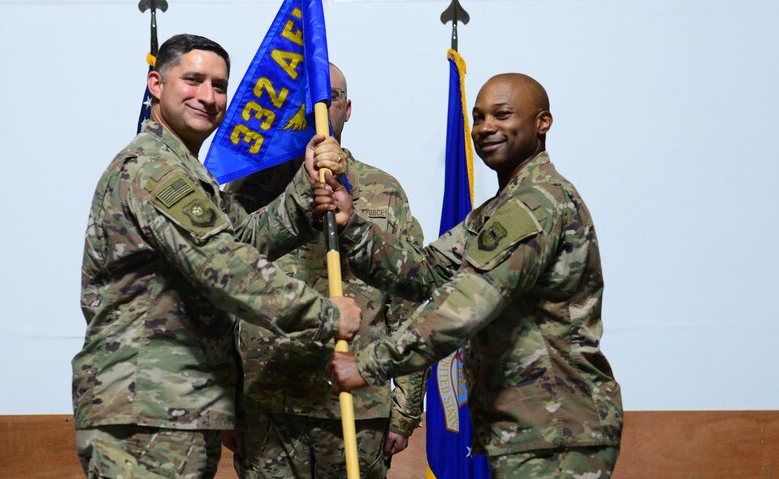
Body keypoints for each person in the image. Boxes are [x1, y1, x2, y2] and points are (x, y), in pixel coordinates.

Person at [71, 34, 362, 479]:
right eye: (193, 80)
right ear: (156, 83)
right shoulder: (153, 169)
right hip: (147, 405)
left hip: (177, 404)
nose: (208, 97)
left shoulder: (187, 172)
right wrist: (326, 315)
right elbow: (227, 266)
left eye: (219, 85)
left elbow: (242, 237)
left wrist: (307, 188)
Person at [322, 73, 624, 478]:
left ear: (542, 122)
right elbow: (424, 271)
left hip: (557, 430)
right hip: (530, 428)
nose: (485, 128)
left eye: (502, 115)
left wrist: (369, 365)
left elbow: (466, 303)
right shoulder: (500, 208)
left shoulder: (537, 204)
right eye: (478, 118)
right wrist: (352, 223)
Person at [225, 63, 426, 479]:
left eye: (330, 97)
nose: (319, 107)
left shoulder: (383, 191)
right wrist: (226, 405)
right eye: (308, 99)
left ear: (347, 108)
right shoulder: (250, 191)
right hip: (268, 406)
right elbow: (224, 298)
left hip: (357, 405)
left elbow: (407, 304)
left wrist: (405, 409)